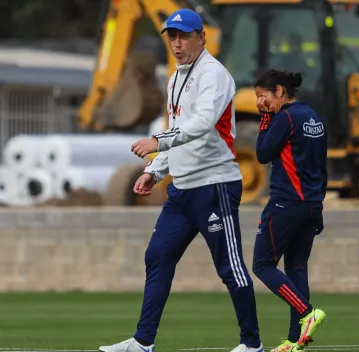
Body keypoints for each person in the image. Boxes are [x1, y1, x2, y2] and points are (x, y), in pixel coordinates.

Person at [98, 8, 263, 352]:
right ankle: (142, 343)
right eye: (172, 36)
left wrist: (156, 143)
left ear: (201, 38)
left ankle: (252, 345)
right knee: (157, 256)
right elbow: (179, 134)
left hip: (215, 185)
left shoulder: (214, 75)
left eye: (184, 36)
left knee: (229, 267)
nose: (176, 43)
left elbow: (202, 124)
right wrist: (154, 171)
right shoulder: (175, 78)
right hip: (183, 189)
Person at [251, 69, 328, 352]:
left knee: (262, 265)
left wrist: (265, 118)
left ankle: (307, 313)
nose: (261, 103)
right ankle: (296, 340)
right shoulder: (314, 117)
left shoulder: (284, 118)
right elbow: (322, 167)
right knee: (296, 269)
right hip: (310, 205)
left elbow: (262, 154)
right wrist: (317, 207)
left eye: (263, 97)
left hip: (286, 204)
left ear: (280, 91)